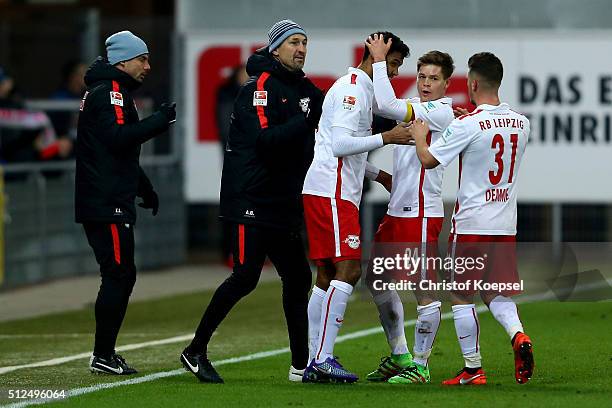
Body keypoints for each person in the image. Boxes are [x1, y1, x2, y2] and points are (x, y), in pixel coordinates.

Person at [180, 19, 324, 384]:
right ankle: (195, 350)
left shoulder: (304, 88)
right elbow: (264, 141)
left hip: (282, 199)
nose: (301, 48)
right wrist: (306, 121)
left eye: (304, 42)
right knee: (245, 276)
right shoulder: (257, 87)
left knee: (297, 275)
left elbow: (333, 119)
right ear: (275, 49)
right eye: (293, 41)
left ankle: (300, 365)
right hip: (251, 199)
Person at [410, 52, 534, 385]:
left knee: (461, 295)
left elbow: (428, 160)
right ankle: (518, 334)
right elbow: (490, 139)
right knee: (496, 292)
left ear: (473, 82)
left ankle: (473, 368)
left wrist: (421, 135)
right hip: (505, 223)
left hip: (471, 224)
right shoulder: (522, 123)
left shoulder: (467, 124)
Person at [301, 31, 412, 383]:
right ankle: (322, 359)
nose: (394, 74)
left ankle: (314, 358)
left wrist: (379, 174)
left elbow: (335, 144)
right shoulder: (352, 89)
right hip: (333, 192)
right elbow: (339, 144)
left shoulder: (357, 88)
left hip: (326, 190)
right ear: (376, 58)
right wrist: (388, 137)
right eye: (392, 64)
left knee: (325, 275)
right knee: (349, 270)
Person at [75, 30, 176, 375]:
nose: (148, 65)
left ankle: (105, 352)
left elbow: (118, 153)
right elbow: (117, 140)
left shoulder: (113, 92)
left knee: (121, 274)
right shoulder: (110, 94)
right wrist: (159, 122)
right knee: (118, 274)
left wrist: (143, 187)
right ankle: (102, 354)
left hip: (109, 197)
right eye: (142, 59)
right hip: (106, 201)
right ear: (122, 61)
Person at [362, 36, 455, 384]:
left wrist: (379, 59)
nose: (426, 83)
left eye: (433, 78)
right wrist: (379, 174)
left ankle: (421, 365)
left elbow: (384, 103)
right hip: (397, 212)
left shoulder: (440, 111)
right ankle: (400, 354)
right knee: (376, 280)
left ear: (446, 83)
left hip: (420, 213)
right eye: (422, 76)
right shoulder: (414, 106)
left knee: (424, 289)